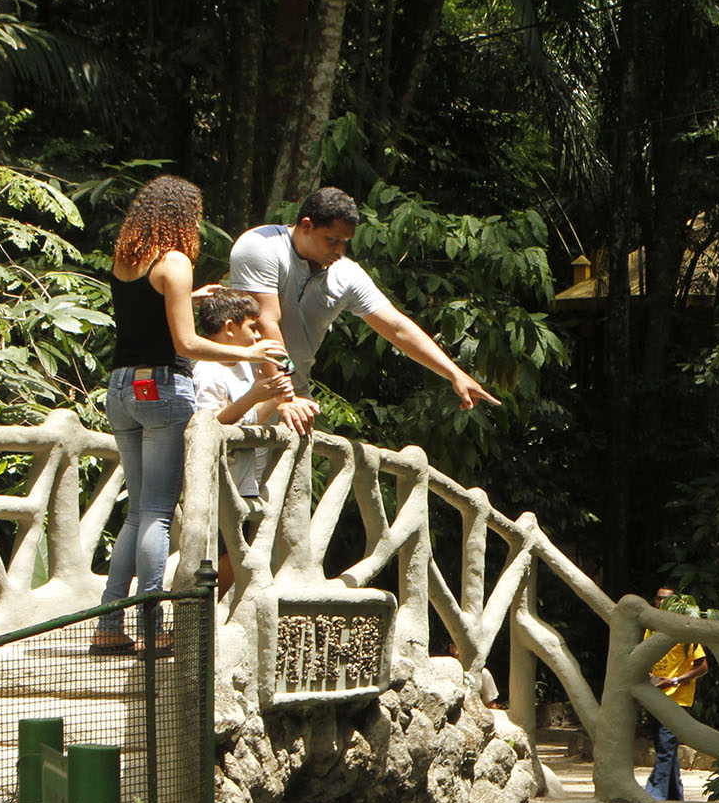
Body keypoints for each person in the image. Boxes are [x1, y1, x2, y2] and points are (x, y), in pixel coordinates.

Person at [92, 176, 287, 657]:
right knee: (157, 513)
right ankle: (154, 624)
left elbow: (146, 316)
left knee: (137, 513)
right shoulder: (175, 262)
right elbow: (186, 345)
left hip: (122, 388)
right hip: (162, 388)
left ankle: (109, 623)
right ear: (183, 217)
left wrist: (192, 298)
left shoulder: (128, 259)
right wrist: (251, 348)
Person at [226, 187, 498, 429]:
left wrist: (455, 374)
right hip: (241, 387)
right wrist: (282, 396)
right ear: (306, 225)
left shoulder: (345, 273)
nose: (340, 250)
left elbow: (397, 327)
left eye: (345, 242)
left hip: (295, 397)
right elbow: (266, 323)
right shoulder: (261, 247)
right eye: (332, 240)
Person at [190, 286, 321, 522]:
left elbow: (250, 418)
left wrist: (274, 397)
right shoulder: (207, 370)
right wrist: (254, 396)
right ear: (230, 327)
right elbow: (207, 425)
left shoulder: (242, 366)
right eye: (253, 328)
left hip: (246, 480)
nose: (258, 336)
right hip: (219, 482)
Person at [644, 589, 708, 802]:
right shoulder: (651, 630)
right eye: (658, 597)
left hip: (676, 698)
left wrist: (674, 680)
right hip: (654, 695)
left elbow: (702, 667)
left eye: (666, 598)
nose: (661, 602)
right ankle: (674, 796)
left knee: (665, 745)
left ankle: (655, 795)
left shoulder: (686, 633)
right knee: (665, 747)